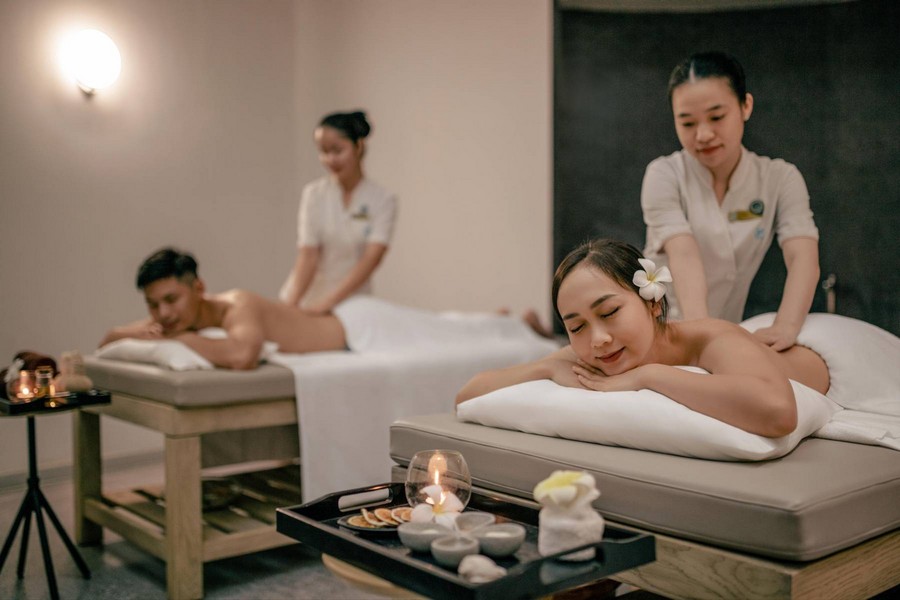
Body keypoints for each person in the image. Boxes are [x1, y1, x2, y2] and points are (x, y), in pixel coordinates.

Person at [456, 239, 831, 438]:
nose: (598, 339)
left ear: (652, 303)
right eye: (577, 326)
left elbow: (779, 413)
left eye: (609, 313)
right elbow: (469, 393)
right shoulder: (587, 352)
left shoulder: (710, 338)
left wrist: (647, 376)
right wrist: (547, 367)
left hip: (825, 349)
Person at [100, 248, 555, 371]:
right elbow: (110, 338)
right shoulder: (181, 318)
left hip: (361, 325)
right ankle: (503, 319)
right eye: (153, 305)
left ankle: (513, 323)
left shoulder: (239, 306)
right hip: (352, 331)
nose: (162, 313)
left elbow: (242, 355)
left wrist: (179, 337)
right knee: (441, 327)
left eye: (171, 300)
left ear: (198, 288)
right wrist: (129, 331)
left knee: (442, 332)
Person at [641, 51, 820, 350]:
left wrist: (786, 327)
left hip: (723, 332)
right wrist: (702, 339)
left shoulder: (780, 178)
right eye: (687, 123)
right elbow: (684, 255)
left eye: (716, 117)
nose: (703, 134)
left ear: (745, 106)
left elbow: (802, 257)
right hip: (661, 330)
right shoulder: (664, 175)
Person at [279, 110, 397, 314]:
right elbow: (308, 256)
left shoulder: (382, 200)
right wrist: (290, 308)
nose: (330, 159)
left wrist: (326, 305)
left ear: (358, 146)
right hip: (306, 299)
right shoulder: (314, 194)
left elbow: (371, 260)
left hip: (352, 305)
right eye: (323, 151)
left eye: (337, 150)